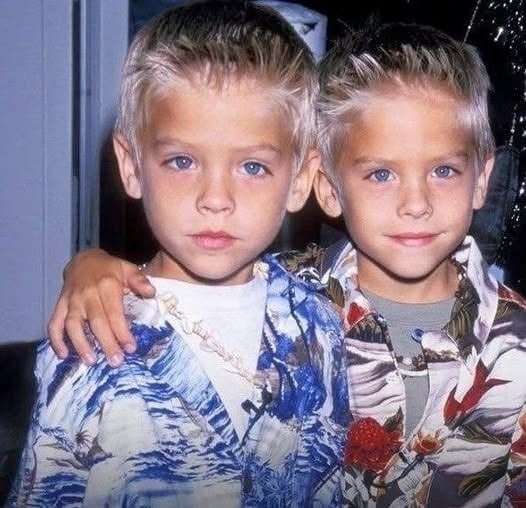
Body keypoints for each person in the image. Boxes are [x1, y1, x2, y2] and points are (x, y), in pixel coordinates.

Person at [47, 21, 526, 507]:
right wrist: (90, 266)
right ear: (326, 188)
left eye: (444, 170)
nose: (416, 204)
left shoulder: (519, 341)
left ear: (481, 178)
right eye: (381, 174)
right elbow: (189, 287)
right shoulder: (293, 298)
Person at [9, 2, 351, 506]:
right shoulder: (89, 348)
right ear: (132, 166)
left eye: (252, 167)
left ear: (300, 179)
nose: (215, 198)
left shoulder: (319, 325)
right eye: (182, 161)